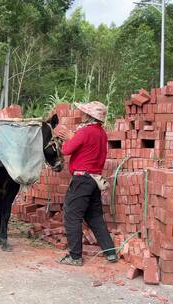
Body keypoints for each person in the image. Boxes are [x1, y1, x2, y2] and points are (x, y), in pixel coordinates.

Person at [55, 101, 117, 266]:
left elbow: (66, 150)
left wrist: (70, 137)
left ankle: (75, 256)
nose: (81, 114)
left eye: (83, 112)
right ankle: (110, 252)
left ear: (89, 116)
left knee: (72, 216)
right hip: (94, 179)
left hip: (82, 179)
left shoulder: (85, 132)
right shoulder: (101, 133)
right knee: (94, 216)